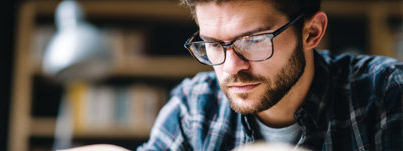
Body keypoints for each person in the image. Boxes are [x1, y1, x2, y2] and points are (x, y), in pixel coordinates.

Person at [137, 0, 403, 150]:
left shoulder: (386, 92)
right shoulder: (193, 107)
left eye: (253, 40)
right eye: (214, 44)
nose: (231, 67)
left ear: (312, 32)